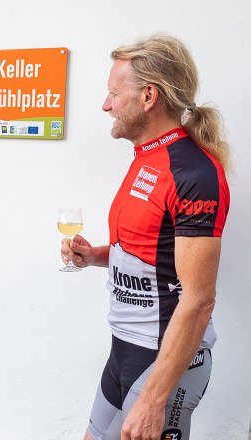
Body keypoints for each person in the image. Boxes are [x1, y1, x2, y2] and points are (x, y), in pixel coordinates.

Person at [61, 34, 231, 440]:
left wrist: (154, 400)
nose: (105, 105)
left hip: (164, 361)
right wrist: (96, 254)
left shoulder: (194, 172)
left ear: (149, 96)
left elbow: (200, 298)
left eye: (113, 93)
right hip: (124, 348)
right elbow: (153, 250)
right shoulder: (146, 158)